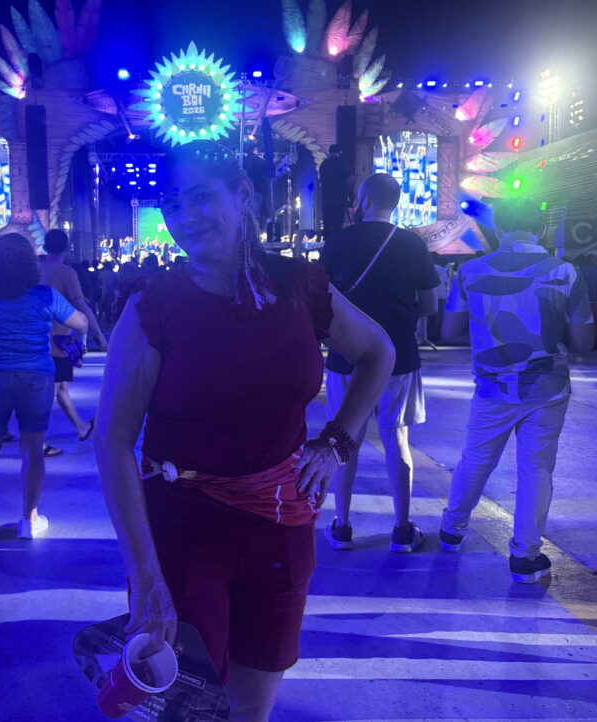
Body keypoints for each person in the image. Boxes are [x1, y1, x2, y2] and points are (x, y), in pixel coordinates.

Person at [94, 142, 395, 721]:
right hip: (183, 533)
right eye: (172, 204)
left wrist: (336, 443)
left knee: (251, 709)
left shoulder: (300, 287)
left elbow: (378, 351)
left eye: (201, 197)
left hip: (281, 528)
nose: (185, 217)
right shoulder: (155, 306)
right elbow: (112, 440)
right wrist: (145, 575)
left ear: (244, 195)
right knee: (186, 709)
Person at [439, 198, 595, 582]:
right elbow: (584, 342)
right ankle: (525, 557)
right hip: (547, 389)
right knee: (536, 468)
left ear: (498, 229)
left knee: (476, 460)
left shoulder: (470, 271)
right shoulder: (565, 272)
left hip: (492, 388)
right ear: (541, 228)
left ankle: (452, 531)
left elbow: (449, 331)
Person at [320, 172, 440, 553]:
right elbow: (430, 304)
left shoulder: (338, 242)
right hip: (398, 357)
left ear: (366, 200)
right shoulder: (412, 244)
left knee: (345, 438)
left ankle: (342, 526)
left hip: (346, 357)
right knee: (396, 439)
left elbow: (321, 301)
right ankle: (402, 531)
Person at [0, 233, 87, 539]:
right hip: (35, 377)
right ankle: (29, 519)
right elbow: (81, 322)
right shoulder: (45, 295)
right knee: (32, 448)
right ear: (31, 263)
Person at [39, 229, 109, 452]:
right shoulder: (66, 272)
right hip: (58, 338)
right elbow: (80, 304)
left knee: (60, 387)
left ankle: (81, 427)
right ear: (67, 247)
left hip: (39, 335)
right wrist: (98, 333)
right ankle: (37, 442)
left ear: (45, 246)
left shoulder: (37, 269)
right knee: (50, 391)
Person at [319, 144, 350, 238]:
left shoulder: (323, 165)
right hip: (339, 200)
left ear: (329, 152)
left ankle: (326, 245)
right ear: (339, 152)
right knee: (337, 227)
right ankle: (336, 245)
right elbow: (349, 180)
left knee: (327, 227)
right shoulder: (342, 163)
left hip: (326, 201)